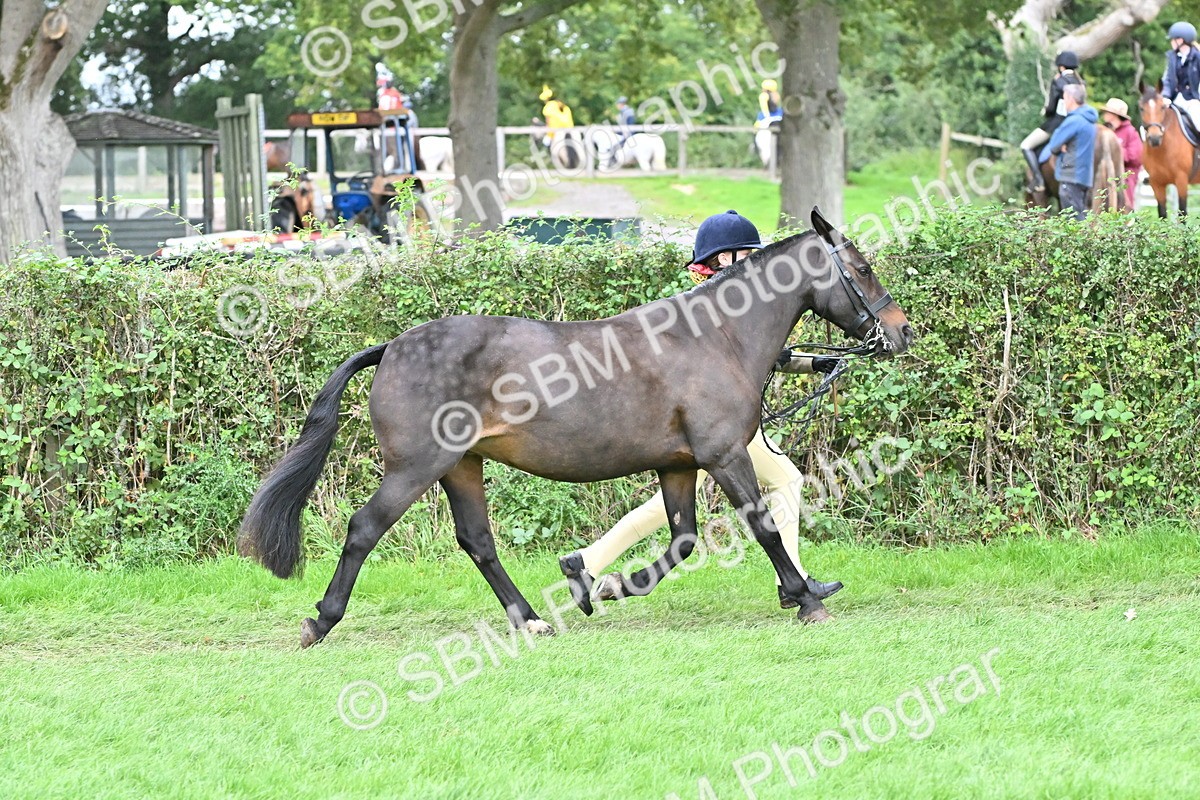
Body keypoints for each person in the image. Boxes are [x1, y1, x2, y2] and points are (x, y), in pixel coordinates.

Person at [558, 210, 844, 617]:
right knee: (786, 479)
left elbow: (763, 355)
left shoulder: (719, 299)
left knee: (668, 506)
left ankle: (586, 563)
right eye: (748, 253)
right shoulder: (722, 301)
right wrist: (805, 361)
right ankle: (792, 581)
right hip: (715, 420)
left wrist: (812, 363)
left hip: (710, 419)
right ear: (724, 259)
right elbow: (748, 357)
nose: (754, 261)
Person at [1021, 51, 1085, 193]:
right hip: (1079, 124)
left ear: (1060, 67)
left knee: (1026, 145)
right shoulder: (1081, 83)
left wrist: (1046, 111)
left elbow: (1051, 107)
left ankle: (1038, 180)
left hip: (1057, 124)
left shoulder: (1058, 81)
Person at [1043, 83, 1097, 220]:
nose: (1064, 102)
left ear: (1071, 99)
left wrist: (1061, 144)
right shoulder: (1090, 121)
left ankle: (1085, 241)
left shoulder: (1073, 121)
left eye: (1065, 98)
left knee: (1073, 219)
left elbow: (1054, 145)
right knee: (1080, 213)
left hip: (1070, 175)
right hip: (1084, 177)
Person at [1101, 97, 1143, 210]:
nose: (1104, 114)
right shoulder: (1104, 130)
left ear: (1113, 115)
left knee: (1124, 209)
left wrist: (1115, 149)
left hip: (1125, 179)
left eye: (1107, 112)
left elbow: (1135, 157)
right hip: (1104, 178)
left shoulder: (1130, 132)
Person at [1162, 21, 1200, 130]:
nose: (1171, 42)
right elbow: (1167, 80)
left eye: (1172, 40)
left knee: (1198, 123)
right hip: (1175, 98)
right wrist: (1165, 96)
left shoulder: (1198, 57)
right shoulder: (1172, 58)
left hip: (1193, 100)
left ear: (1180, 40)